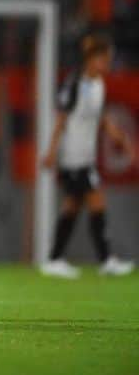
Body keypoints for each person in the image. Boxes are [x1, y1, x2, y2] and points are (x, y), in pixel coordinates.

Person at [40, 35, 134, 278]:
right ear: (91, 60)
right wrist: (51, 152)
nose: (106, 64)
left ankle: (54, 259)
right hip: (73, 157)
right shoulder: (73, 83)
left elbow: (99, 117)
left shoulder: (99, 85)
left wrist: (116, 134)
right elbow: (61, 119)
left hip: (86, 157)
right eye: (103, 60)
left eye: (108, 60)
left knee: (72, 207)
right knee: (96, 201)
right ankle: (105, 260)